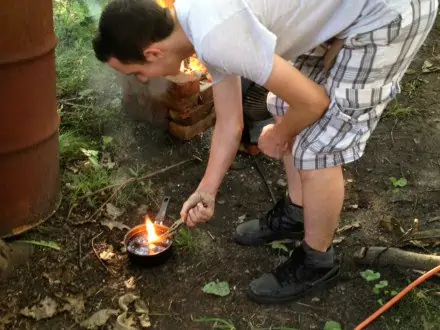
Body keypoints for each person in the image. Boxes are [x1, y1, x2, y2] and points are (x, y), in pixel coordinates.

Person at [93, 0, 438, 304]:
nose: (140, 80)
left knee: (318, 146)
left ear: (152, 52)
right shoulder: (194, 21)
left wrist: (279, 134)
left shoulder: (216, 35)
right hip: (350, 9)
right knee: (284, 104)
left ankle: (317, 261)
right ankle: (297, 213)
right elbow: (230, 123)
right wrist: (206, 190)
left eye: (137, 72)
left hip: (388, 11)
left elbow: (315, 103)